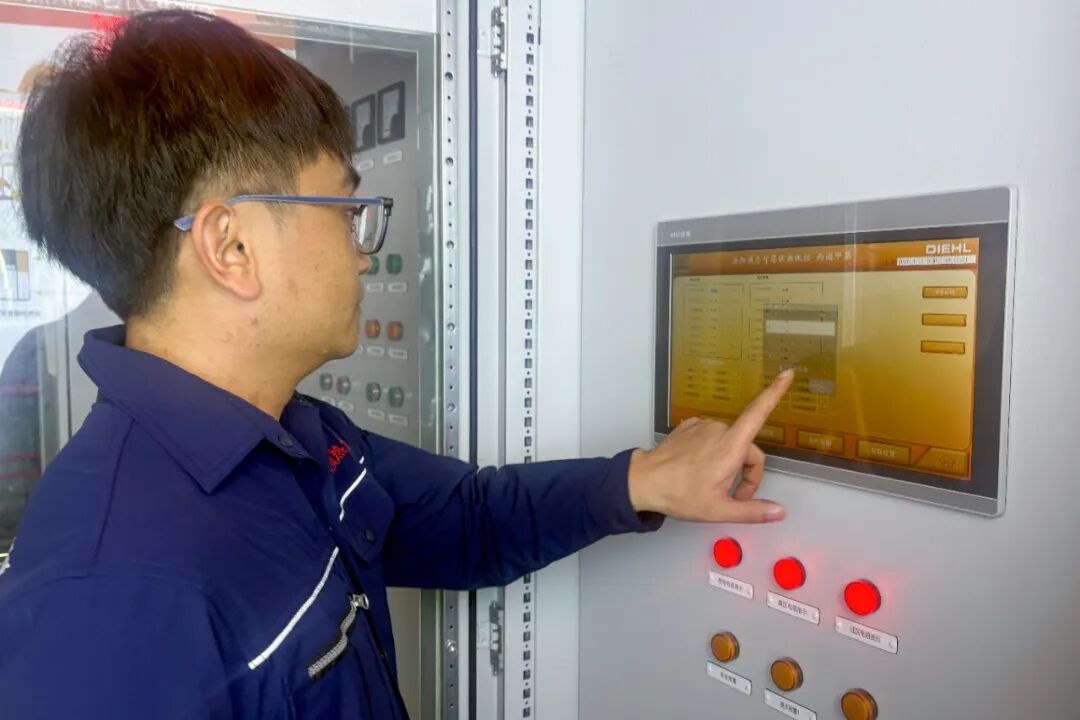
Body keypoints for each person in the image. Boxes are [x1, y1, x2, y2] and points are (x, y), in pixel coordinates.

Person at [0, 10, 793, 719]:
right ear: (231, 246)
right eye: (346, 211)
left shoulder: (298, 437)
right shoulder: (105, 601)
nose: (363, 252)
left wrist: (642, 480)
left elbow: (470, 520)